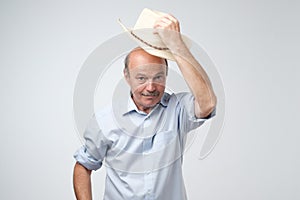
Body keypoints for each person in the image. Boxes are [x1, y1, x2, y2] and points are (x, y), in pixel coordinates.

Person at [73, 11, 217, 200]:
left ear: (166, 75)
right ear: (126, 76)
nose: (150, 87)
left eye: (158, 77)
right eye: (141, 78)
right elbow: (83, 166)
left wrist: (176, 46)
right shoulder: (105, 120)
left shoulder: (178, 109)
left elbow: (207, 103)